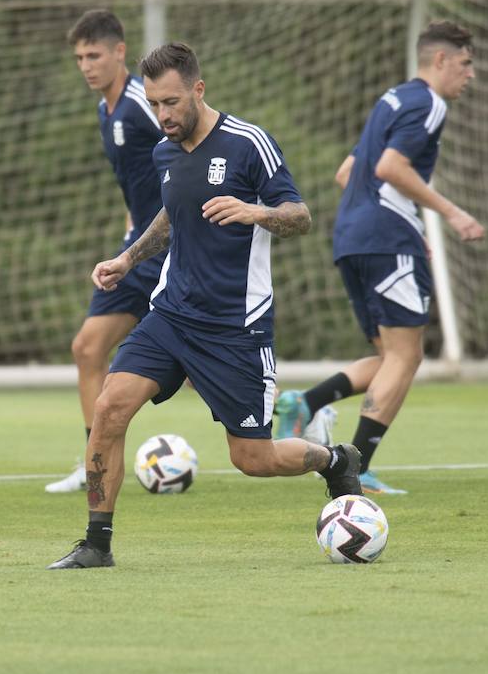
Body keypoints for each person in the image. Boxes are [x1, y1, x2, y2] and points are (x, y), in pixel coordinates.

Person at [47, 42, 361, 569]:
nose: (163, 115)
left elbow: (300, 216)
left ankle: (334, 458)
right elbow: (171, 216)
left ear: (198, 89)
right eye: (153, 105)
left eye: (171, 102)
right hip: (170, 315)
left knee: (252, 459)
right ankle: (96, 544)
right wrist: (127, 260)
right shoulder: (164, 152)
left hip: (235, 328)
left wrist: (253, 211)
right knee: (109, 407)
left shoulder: (248, 143)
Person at [273, 21, 485, 496]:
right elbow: (391, 168)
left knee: (390, 353)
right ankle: (356, 465)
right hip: (386, 240)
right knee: (408, 355)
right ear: (441, 61)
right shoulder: (430, 103)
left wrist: (392, 220)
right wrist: (450, 214)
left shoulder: (392, 99)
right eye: (467, 63)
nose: (471, 74)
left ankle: (304, 404)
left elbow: (348, 172)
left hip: (351, 237)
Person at [46, 10, 167, 494]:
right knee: (87, 347)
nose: (86, 65)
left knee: (206, 360)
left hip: (175, 248)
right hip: (138, 250)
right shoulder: (105, 110)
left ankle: (295, 409)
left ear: (120, 52)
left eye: (93, 54)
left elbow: (195, 146)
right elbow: (134, 184)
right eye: (79, 57)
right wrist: (131, 234)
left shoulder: (143, 102)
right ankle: (93, 460)